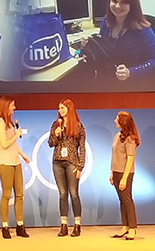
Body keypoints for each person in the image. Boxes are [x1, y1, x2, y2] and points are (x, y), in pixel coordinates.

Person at [94, 0, 155, 83]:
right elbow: (103, 47)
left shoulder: (142, 30)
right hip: (109, 75)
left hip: (131, 81)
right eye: (114, 1)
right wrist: (89, 46)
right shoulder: (106, 22)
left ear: (132, 5)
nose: (117, 6)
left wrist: (131, 72)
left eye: (124, 2)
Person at [0, 96, 31, 239]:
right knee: (7, 194)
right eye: (12, 105)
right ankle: (5, 226)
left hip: (15, 161)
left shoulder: (9, 123)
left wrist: (23, 155)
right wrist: (17, 134)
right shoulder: (0, 122)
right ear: (6, 106)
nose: (14, 108)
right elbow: (4, 144)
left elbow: (13, 145)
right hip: (4, 162)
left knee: (20, 194)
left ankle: (20, 225)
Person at [48, 98, 86, 237]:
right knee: (62, 194)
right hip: (57, 162)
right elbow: (50, 143)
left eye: (62, 108)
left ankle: (77, 225)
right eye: (59, 108)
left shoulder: (78, 126)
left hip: (72, 163)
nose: (60, 111)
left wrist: (80, 166)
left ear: (69, 109)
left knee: (74, 193)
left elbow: (82, 148)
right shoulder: (55, 125)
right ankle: (64, 225)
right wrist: (56, 135)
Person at [109, 111, 140, 240]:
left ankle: (132, 228)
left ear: (123, 121)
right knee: (122, 200)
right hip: (116, 171)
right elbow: (114, 155)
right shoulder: (117, 136)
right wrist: (112, 172)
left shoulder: (130, 138)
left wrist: (124, 178)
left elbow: (130, 158)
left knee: (127, 199)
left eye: (117, 118)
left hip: (125, 172)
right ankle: (125, 226)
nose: (115, 120)